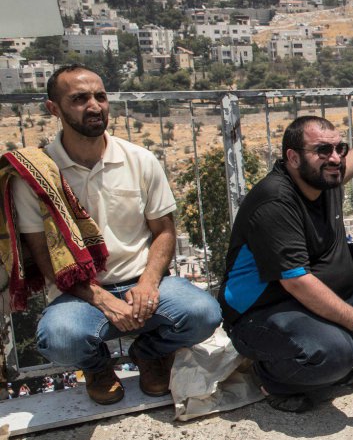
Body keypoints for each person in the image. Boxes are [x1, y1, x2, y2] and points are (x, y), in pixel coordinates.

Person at [9, 65, 222, 405]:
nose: (94, 106)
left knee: (204, 314)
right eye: (79, 99)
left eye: (100, 97)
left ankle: (149, 354)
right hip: (78, 294)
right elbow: (45, 256)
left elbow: (164, 230)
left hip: (142, 283)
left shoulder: (139, 159)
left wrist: (149, 283)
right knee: (60, 339)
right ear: (54, 109)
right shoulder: (36, 176)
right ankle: (97, 366)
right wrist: (103, 300)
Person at [220, 115, 353, 413]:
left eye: (339, 148)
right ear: (293, 158)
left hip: (323, 294)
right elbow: (296, 281)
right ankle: (271, 377)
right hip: (264, 310)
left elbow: (349, 165)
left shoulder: (324, 178)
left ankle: (338, 346)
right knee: (334, 355)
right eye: (323, 150)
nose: (335, 158)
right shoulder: (275, 201)